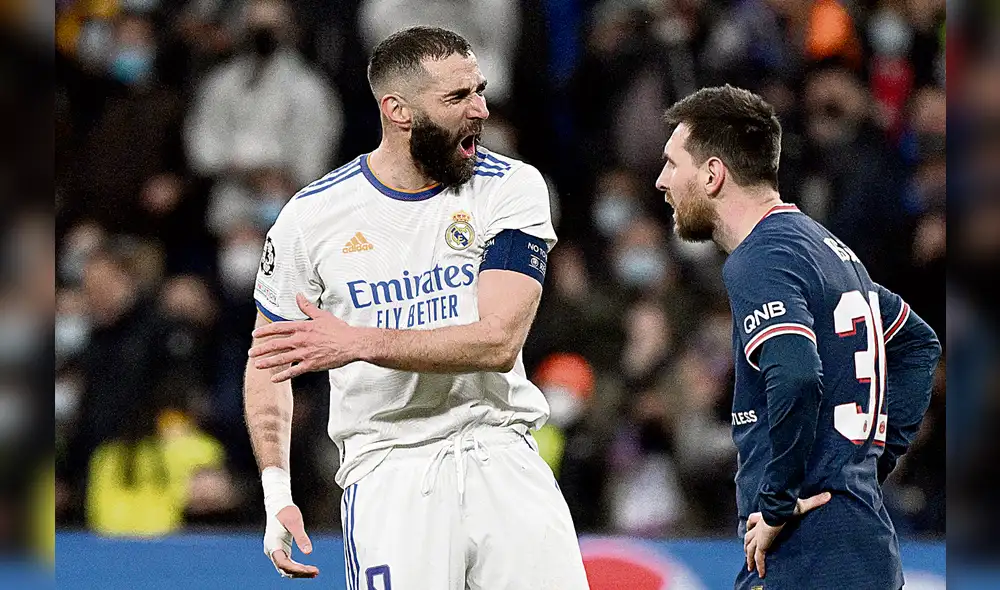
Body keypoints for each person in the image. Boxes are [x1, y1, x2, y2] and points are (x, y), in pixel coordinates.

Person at [243, 26, 590, 589]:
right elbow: (268, 360)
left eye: (479, 90)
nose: (479, 109)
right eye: (457, 98)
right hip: (389, 471)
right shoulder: (311, 218)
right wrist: (276, 492)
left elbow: (498, 341)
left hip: (500, 453)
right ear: (397, 110)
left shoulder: (511, 187)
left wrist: (358, 342)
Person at [654, 85, 941, 590]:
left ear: (713, 173)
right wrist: (867, 463)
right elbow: (918, 345)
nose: (661, 181)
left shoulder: (761, 256)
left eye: (673, 164)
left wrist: (778, 502)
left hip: (807, 552)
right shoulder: (826, 249)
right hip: (860, 541)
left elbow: (796, 375)